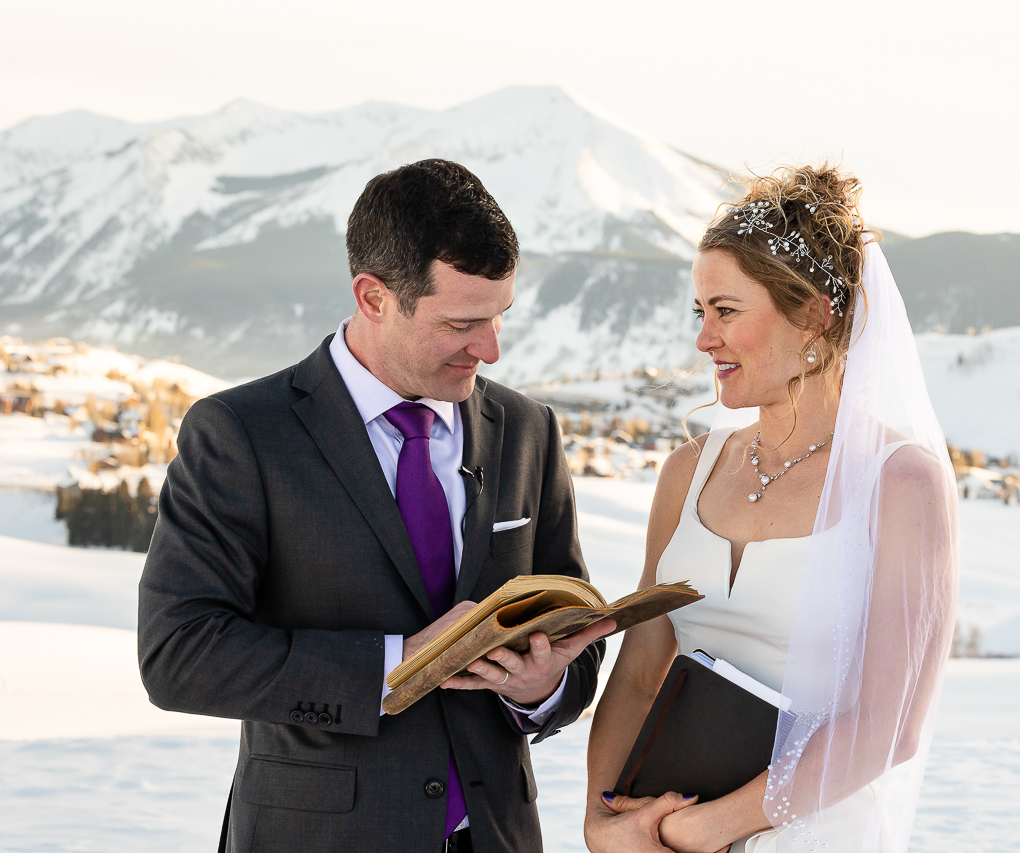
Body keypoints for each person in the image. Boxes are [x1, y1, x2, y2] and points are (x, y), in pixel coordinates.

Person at [138, 159, 612, 853]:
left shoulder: (528, 429)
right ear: (372, 297)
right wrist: (397, 663)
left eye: (500, 316)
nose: (492, 348)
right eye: (463, 323)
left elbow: (576, 639)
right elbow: (179, 655)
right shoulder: (241, 433)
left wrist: (544, 685)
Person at [584, 165, 958, 853]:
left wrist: (709, 828)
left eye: (726, 311)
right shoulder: (686, 473)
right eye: (700, 313)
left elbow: (890, 725)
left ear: (814, 314)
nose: (705, 338)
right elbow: (638, 678)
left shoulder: (901, 483)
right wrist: (604, 822)